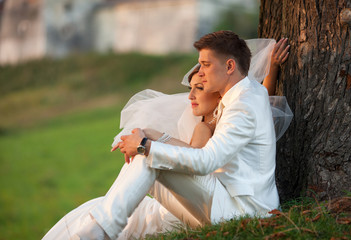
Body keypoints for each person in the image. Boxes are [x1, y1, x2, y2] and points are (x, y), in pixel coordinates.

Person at [42, 33, 292, 240]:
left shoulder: (243, 105)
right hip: (228, 201)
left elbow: (206, 161)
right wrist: (148, 138)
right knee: (147, 155)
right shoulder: (245, 94)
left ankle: (97, 233)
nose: (201, 73)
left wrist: (144, 146)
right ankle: (98, 231)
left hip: (246, 212)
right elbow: (258, 94)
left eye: (206, 65)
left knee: (148, 155)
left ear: (229, 66)